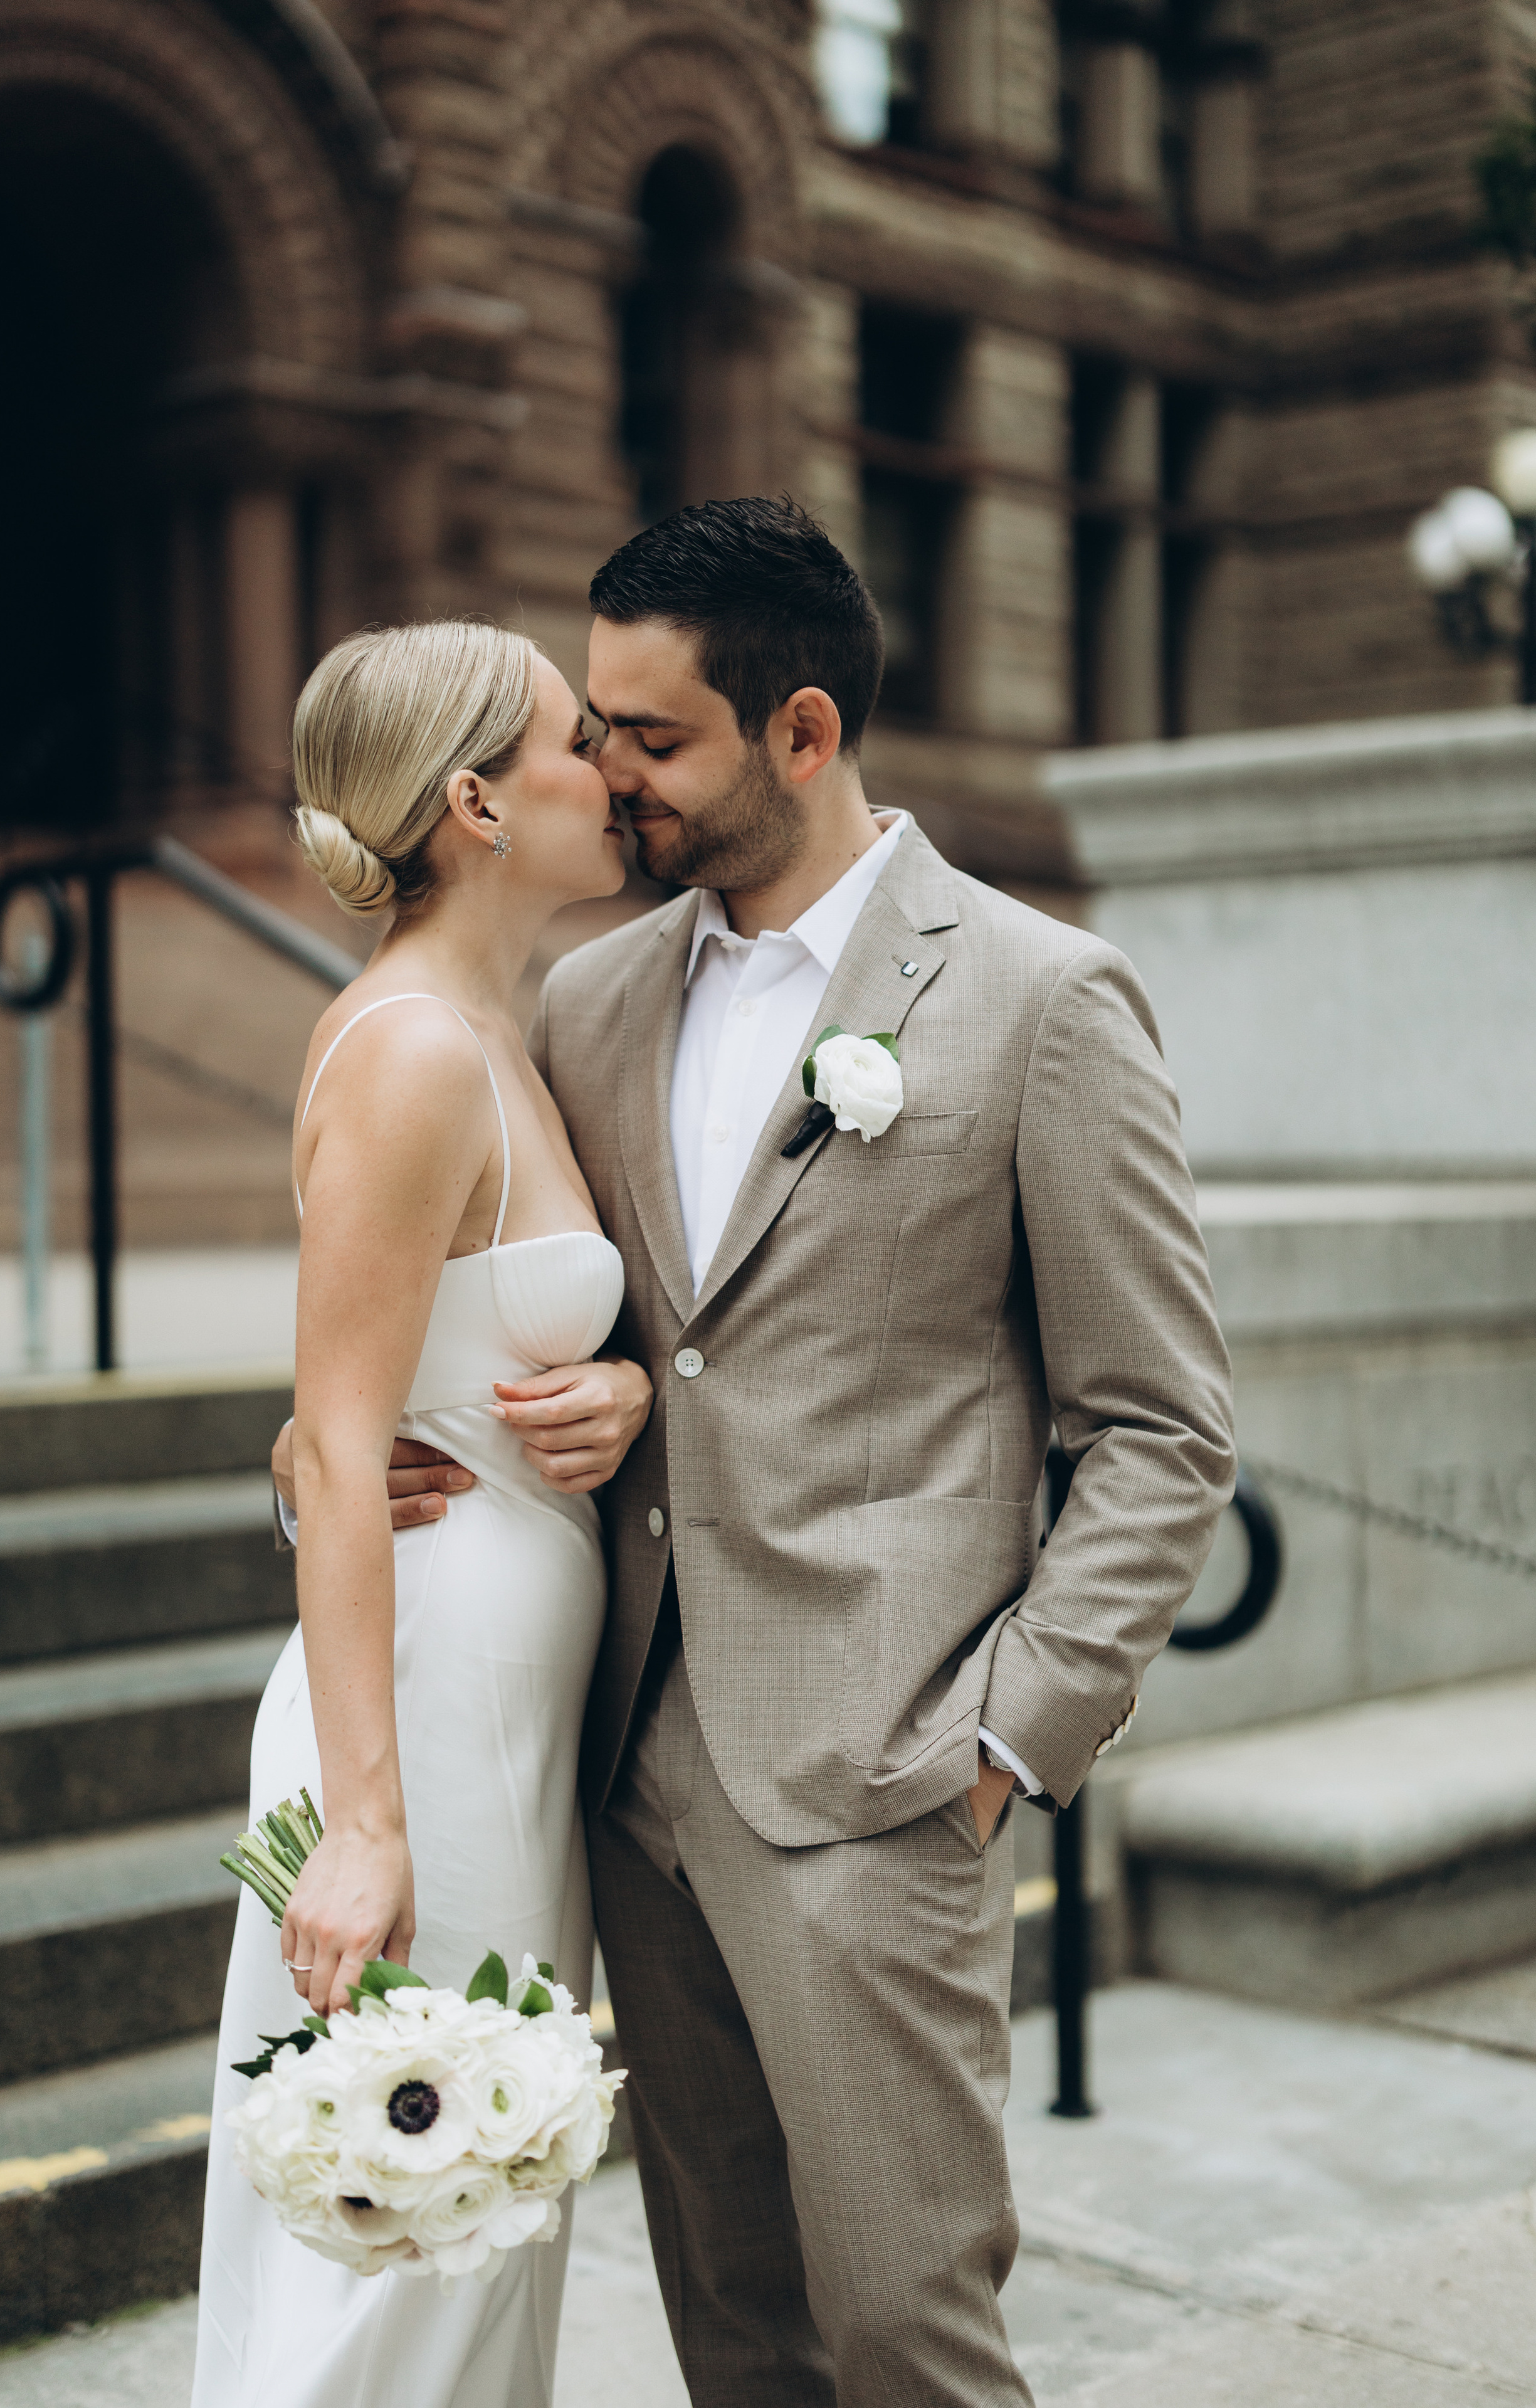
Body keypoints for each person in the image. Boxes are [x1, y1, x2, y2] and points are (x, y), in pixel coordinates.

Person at [280, 497, 1235, 2405]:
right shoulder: (586, 997)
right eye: (593, 729)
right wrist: (346, 1453)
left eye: (650, 737)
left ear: (801, 732)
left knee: (907, 2333)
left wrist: (1005, 1743)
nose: (606, 772)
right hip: (621, 1775)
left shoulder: (1042, 999)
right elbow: (498, 1320)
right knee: (737, 2334)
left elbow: (1160, 1426)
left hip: (886, 1778)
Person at [192, 619, 653, 2408]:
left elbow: (432, 1367)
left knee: (480, 2225)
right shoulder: (414, 1053)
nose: (610, 768)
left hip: (505, 1700)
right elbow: (338, 1439)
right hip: (426, 1713)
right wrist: (366, 1826)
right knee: (410, 2237)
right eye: (571, 740)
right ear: (475, 801)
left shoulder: (497, 1033)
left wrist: (618, 1395)